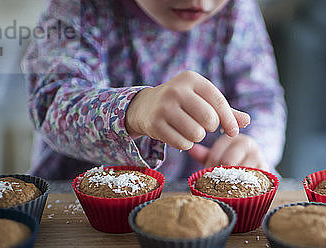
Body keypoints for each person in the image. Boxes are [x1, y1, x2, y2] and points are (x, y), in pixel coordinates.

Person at [22, 0, 286, 180]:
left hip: (196, 203)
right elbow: (52, 103)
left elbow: (262, 99)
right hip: (77, 205)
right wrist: (134, 109)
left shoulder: (236, 9)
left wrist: (251, 145)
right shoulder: (79, 7)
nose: (200, 1)